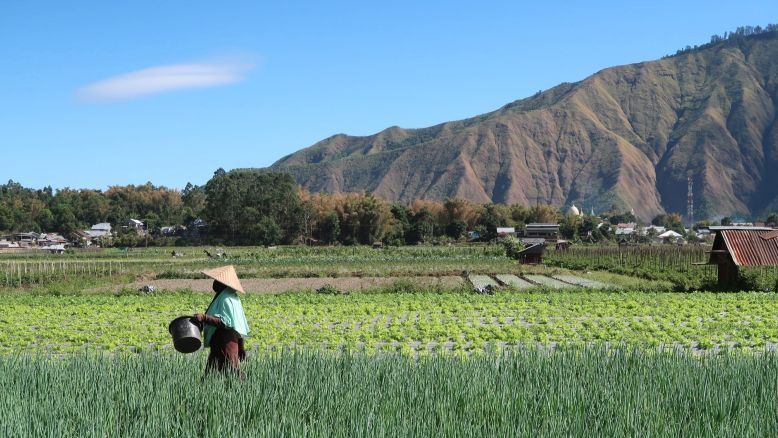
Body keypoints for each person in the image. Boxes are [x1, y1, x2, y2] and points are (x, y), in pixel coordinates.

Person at [194, 265, 250, 376]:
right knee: (212, 373)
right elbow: (238, 325)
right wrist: (241, 346)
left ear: (223, 283)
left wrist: (204, 318)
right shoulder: (230, 296)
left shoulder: (226, 298)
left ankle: (245, 389)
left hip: (225, 341)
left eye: (217, 280)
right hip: (223, 341)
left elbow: (226, 323)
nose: (214, 283)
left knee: (231, 372)